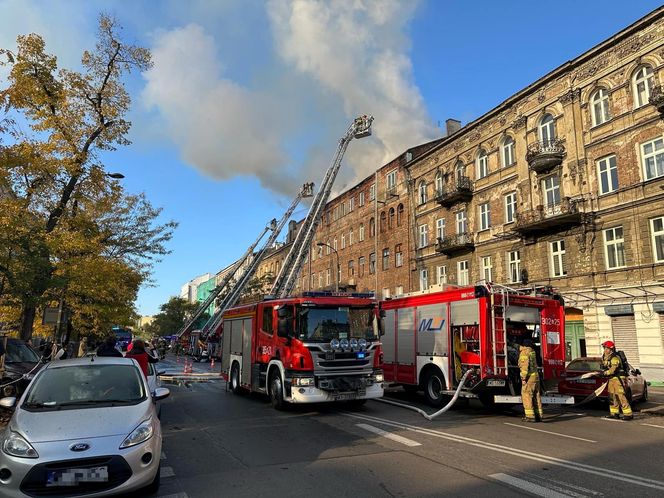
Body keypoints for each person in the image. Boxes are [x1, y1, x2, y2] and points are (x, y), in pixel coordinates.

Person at [599, 340, 633, 421]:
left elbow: (613, 370)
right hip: (611, 379)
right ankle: (614, 413)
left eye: (606, 348)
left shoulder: (614, 357)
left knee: (621, 396)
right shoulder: (605, 356)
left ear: (611, 349)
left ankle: (628, 414)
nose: (605, 350)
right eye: (604, 348)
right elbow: (604, 366)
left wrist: (604, 373)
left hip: (618, 379)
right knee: (612, 396)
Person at [519, 338, 543, 423]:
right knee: (536, 396)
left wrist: (523, 378)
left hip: (529, 378)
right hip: (536, 377)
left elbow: (525, 367)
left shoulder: (524, 352)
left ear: (524, 345)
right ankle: (539, 415)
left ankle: (530, 416)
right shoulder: (532, 352)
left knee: (526, 395)